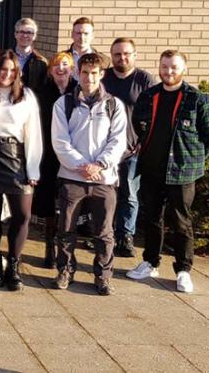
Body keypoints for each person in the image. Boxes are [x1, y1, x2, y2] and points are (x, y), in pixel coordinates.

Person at [127, 50, 209, 293]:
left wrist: (193, 160)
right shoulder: (149, 96)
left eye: (174, 67)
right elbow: (139, 125)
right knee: (152, 219)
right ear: (159, 67)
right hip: (151, 169)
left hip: (182, 173)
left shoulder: (198, 99)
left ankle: (183, 270)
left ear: (184, 69)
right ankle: (150, 262)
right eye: (165, 66)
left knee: (181, 222)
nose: (169, 71)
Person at [51, 53, 128, 295]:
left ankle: (103, 276)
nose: (89, 77)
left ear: (101, 74)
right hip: (72, 178)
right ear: (77, 73)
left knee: (104, 232)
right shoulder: (63, 104)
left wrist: (100, 165)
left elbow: (118, 141)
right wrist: (83, 165)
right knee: (66, 229)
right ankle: (65, 270)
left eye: (94, 73)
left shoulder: (114, 105)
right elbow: (60, 141)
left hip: (103, 179)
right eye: (84, 72)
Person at [0, 50, 43, 291]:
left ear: (17, 73)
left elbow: (34, 134)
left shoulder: (26, 96)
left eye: (11, 70)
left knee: (22, 215)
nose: (6, 74)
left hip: (16, 157)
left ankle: (14, 265)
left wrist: (33, 168)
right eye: (3, 69)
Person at [101, 38, 158, 258]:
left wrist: (145, 141)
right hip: (105, 149)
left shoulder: (144, 80)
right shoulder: (104, 78)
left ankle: (125, 236)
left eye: (126, 54)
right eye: (117, 54)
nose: (122, 58)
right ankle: (106, 234)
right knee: (106, 194)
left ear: (134, 55)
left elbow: (156, 113)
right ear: (111, 55)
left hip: (132, 149)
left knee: (129, 193)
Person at [34, 52, 77, 268]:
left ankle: (66, 250)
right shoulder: (42, 93)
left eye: (65, 64)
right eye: (56, 65)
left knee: (69, 203)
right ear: (50, 70)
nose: (61, 68)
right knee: (48, 203)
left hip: (72, 154)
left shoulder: (79, 93)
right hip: (48, 155)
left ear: (72, 69)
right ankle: (49, 246)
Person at [14, 18, 48, 92]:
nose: (25, 35)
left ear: (34, 36)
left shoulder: (41, 62)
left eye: (29, 32)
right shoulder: (5, 58)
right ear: (15, 34)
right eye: (22, 32)